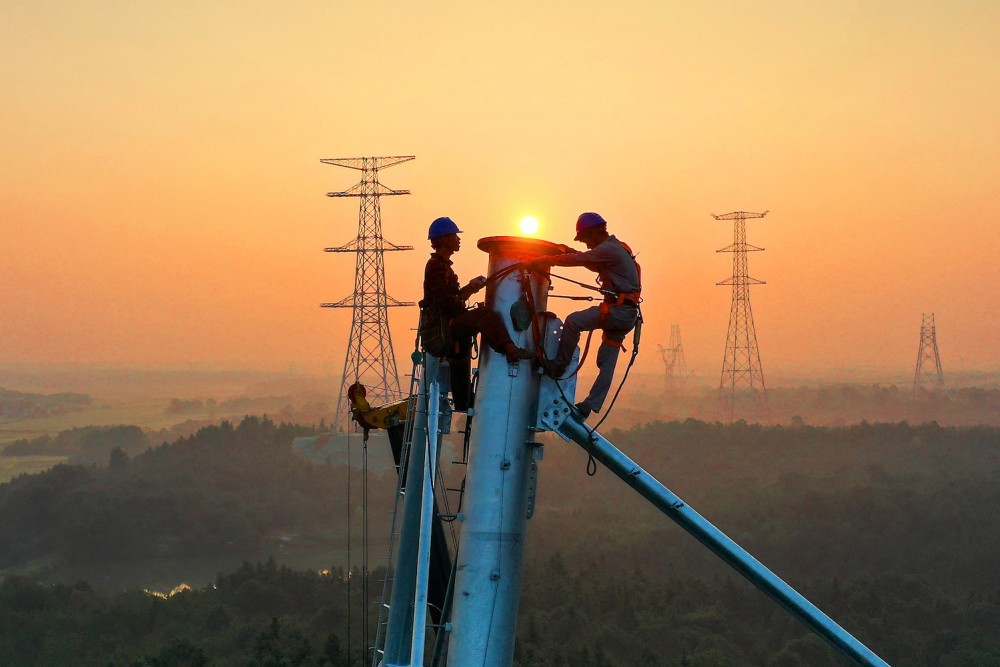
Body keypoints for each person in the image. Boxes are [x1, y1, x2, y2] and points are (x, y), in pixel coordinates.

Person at [526, 212, 641, 420]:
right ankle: (589, 406)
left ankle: (558, 367)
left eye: (586, 239)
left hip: (618, 311)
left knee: (574, 321)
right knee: (607, 362)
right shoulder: (615, 249)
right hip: (626, 313)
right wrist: (569, 251)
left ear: (595, 232)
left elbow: (581, 260)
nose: (587, 244)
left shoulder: (609, 249)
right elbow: (590, 261)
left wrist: (543, 260)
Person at [421, 216, 533, 412]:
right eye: (454, 236)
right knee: (484, 315)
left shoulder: (442, 266)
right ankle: (509, 349)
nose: (458, 239)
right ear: (444, 239)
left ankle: (464, 402)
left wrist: (470, 289)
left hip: (448, 325)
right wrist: (466, 306)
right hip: (444, 327)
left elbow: (449, 299)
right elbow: (445, 303)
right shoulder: (436, 267)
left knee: (460, 357)